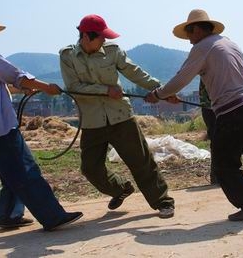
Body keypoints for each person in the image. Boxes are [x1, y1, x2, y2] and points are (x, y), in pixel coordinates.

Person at [144, 9, 243, 221]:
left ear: (197, 29)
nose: (189, 40)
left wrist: (158, 94)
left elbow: (182, 77)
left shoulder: (203, 47)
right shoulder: (229, 44)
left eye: (190, 33)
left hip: (230, 109)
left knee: (224, 163)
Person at [0, 9, 83, 231]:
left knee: (10, 171)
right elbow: (13, 73)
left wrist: (22, 89)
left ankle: (9, 215)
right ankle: (52, 216)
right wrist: (45, 87)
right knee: (25, 169)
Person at [59, 14, 175, 218]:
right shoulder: (67, 56)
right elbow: (74, 87)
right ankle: (121, 189)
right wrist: (105, 90)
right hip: (92, 121)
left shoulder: (113, 51)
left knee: (141, 161)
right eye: (100, 37)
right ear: (86, 36)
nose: (104, 40)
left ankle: (163, 201)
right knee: (90, 168)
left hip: (121, 116)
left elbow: (134, 72)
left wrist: (160, 90)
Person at [199, 80, 218, 184]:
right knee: (216, 143)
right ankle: (216, 176)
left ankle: (218, 176)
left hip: (213, 108)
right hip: (211, 109)